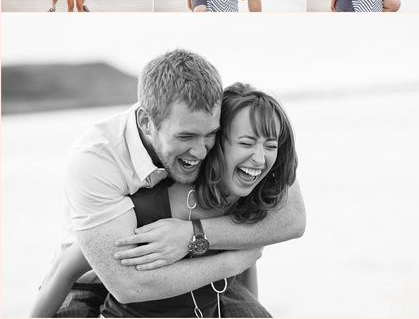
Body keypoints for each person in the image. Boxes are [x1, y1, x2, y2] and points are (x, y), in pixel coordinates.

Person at [31, 50, 305, 317]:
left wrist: (193, 235)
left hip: (199, 273)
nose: (200, 151)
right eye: (186, 136)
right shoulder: (97, 162)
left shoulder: (219, 142)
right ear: (146, 122)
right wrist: (234, 260)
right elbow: (102, 276)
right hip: (96, 277)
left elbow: (287, 220)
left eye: (210, 134)